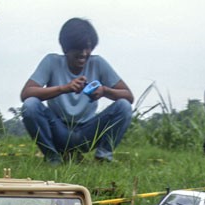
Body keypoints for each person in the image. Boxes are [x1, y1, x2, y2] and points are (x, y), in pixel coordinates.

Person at [20, 18, 134, 164]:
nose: (84, 53)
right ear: (66, 48)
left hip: (87, 131)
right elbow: (26, 93)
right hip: (58, 129)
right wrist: (64, 88)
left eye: (88, 48)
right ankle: (53, 157)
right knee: (30, 105)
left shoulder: (98, 63)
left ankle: (103, 157)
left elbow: (128, 96)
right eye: (78, 49)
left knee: (124, 106)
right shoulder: (52, 61)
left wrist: (104, 91)